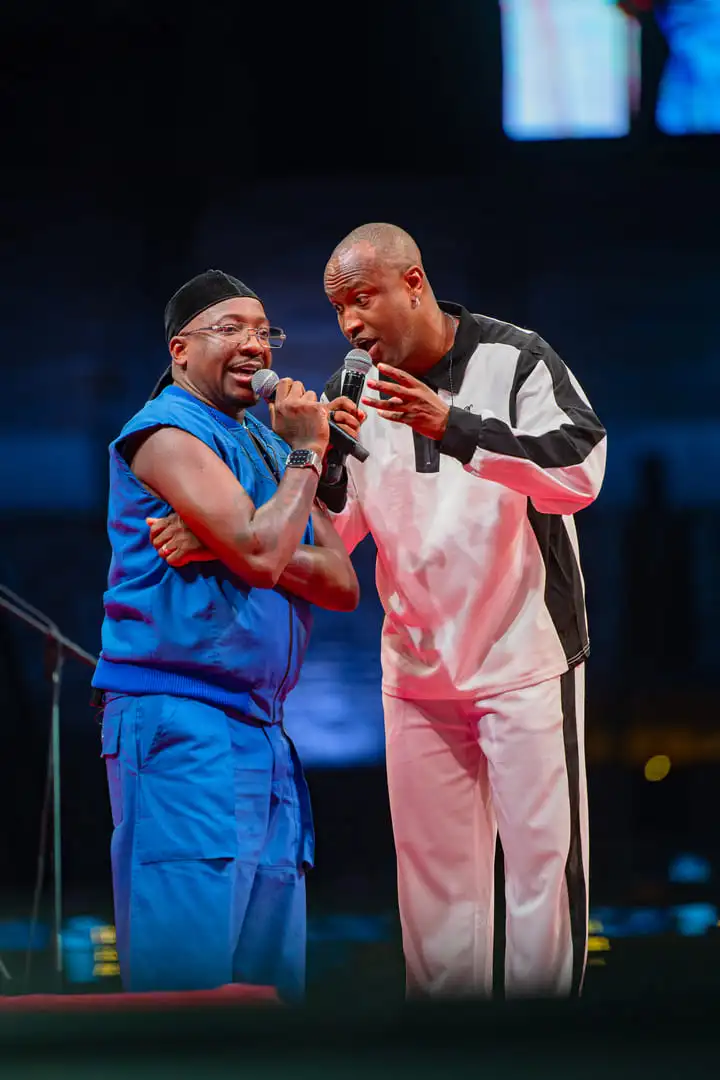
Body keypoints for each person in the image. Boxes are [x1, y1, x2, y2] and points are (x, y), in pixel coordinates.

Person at [319, 223, 607, 999]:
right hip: (417, 669)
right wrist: (315, 460)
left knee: (542, 881)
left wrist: (453, 427)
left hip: (525, 656)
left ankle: (542, 1050)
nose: (349, 323)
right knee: (435, 894)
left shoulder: (515, 359)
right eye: (338, 308)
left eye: (361, 298)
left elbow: (582, 468)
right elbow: (338, 532)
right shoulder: (354, 387)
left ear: (413, 282)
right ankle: (447, 1050)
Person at [91, 269, 360, 1002]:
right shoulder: (164, 433)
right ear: (180, 349)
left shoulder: (267, 444)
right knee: (186, 985)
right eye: (230, 328)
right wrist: (303, 461)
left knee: (266, 990)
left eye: (264, 331)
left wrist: (225, 543)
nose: (254, 344)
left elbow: (341, 581)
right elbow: (266, 554)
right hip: (181, 719)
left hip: (264, 735)